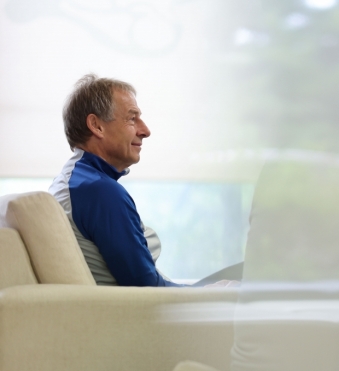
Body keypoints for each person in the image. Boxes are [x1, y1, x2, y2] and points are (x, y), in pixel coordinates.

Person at [49, 74, 240, 287]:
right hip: (147, 311)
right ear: (96, 126)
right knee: (252, 279)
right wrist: (211, 293)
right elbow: (147, 289)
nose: (145, 131)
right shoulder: (99, 190)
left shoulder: (73, 181)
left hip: (135, 305)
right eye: (132, 118)